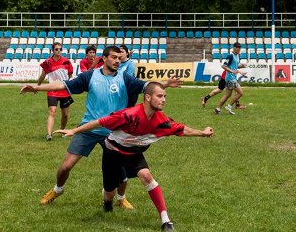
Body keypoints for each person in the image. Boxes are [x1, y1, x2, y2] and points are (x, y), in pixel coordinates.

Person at [20, 45, 182, 209]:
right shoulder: (90, 76)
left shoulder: (126, 79)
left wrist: (165, 83)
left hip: (115, 133)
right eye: (113, 57)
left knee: (122, 173)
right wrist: (37, 87)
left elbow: (149, 86)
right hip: (89, 129)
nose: (117, 61)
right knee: (65, 166)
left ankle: (120, 198)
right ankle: (58, 189)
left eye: (119, 58)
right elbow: (63, 85)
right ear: (103, 58)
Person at [54, 81, 213, 231]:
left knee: (146, 176)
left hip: (133, 154)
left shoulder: (161, 121)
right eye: (160, 96)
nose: (163, 100)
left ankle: (165, 220)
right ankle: (108, 202)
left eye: (165, 96)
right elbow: (100, 122)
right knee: (110, 192)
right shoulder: (128, 115)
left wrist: (203, 133)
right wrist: (74, 131)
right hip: (112, 153)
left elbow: (183, 129)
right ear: (148, 97)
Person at [35, 42, 74, 141]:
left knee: (65, 114)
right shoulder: (47, 62)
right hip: (52, 90)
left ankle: (62, 129)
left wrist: (71, 86)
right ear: (52, 50)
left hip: (64, 90)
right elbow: (43, 76)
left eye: (60, 49)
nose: (59, 51)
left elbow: (70, 76)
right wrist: (37, 87)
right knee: (52, 111)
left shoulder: (67, 62)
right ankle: (49, 134)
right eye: (56, 49)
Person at [213, 42, 247, 115]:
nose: (239, 49)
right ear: (234, 48)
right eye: (238, 48)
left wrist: (242, 66)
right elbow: (223, 66)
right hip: (230, 78)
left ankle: (217, 109)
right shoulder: (230, 56)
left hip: (232, 77)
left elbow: (235, 66)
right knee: (240, 93)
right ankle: (229, 106)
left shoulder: (237, 56)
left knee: (227, 95)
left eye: (240, 48)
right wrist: (233, 71)